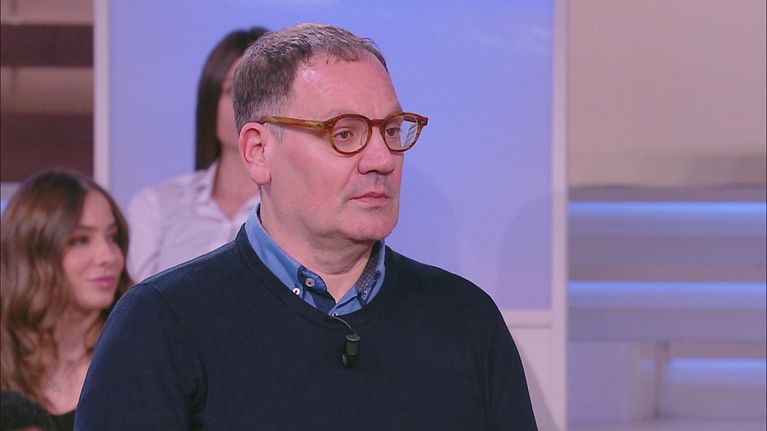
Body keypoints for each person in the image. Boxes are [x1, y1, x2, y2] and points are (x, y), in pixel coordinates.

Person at [75, 23, 538, 430]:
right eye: (345, 133)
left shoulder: (466, 319)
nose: (382, 159)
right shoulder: (159, 324)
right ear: (258, 151)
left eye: (392, 130)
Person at [127, 26, 268, 282]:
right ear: (209, 101)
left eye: (262, 91)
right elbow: (134, 298)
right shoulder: (157, 206)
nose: (249, 105)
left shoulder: (297, 210)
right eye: (233, 90)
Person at [0, 170, 132, 431]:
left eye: (112, 237)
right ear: (31, 252)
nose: (108, 256)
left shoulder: (139, 353)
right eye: (80, 240)